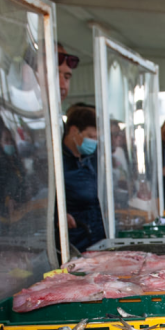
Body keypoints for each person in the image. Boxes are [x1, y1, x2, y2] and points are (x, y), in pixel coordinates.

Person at [61, 104, 105, 251]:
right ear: (74, 131)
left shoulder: (89, 159)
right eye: (91, 137)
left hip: (96, 235)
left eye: (96, 138)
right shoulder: (58, 162)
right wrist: (58, 215)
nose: (94, 142)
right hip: (74, 238)